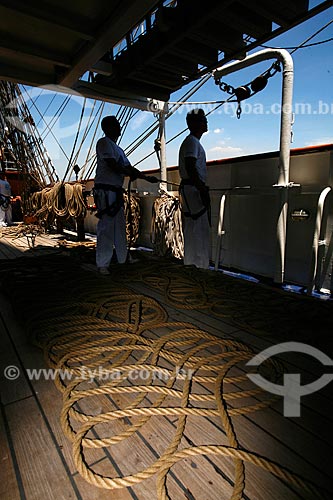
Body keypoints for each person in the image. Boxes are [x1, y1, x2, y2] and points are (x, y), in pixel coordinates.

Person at [94, 115, 158, 274]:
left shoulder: (119, 150)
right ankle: (103, 264)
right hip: (106, 191)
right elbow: (113, 165)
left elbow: (129, 167)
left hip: (115, 192)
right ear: (107, 128)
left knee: (120, 227)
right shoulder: (103, 143)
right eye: (116, 125)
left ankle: (122, 258)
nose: (120, 127)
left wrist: (145, 177)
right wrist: (130, 172)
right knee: (107, 227)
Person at [178, 108, 211, 269]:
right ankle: (201, 266)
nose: (206, 122)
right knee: (200, 228)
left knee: (191, 227)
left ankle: (191, 263)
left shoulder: (191, 141)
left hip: (189, 189)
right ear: (195, 124)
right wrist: (201, 188)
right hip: (193, 189)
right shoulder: (192, 142)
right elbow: (190, 165)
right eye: (203, 120)